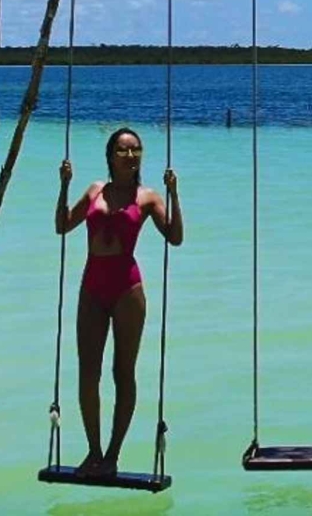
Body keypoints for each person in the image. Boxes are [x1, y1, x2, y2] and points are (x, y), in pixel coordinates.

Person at [56, 127, 183, 478]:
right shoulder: (95, 190)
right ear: (110, 156)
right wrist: (64, 185)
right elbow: (62, 225)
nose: (131, 156)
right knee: (88, 372)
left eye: (136, 150)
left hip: (127, 289)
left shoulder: (148, 197)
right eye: (124, 150)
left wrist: (174, 194)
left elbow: (175, 238)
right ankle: (93, 452)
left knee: (122, 372)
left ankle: (112, 455)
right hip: (92, 286)